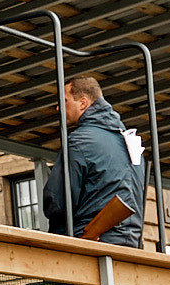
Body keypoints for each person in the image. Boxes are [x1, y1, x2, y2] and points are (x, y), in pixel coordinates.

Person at [42, 76, 143, 247]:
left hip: (91, 244)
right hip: (131, 244)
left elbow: (58, 202)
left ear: (83, 103)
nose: (58, 107)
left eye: (64, 101)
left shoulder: (79, 141)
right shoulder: (128, 142)